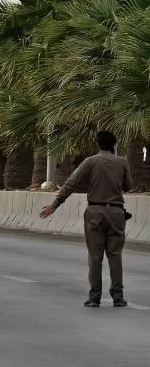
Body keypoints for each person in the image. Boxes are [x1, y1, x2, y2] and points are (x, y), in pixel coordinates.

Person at [40, 131, 133, 307]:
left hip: (95, 212)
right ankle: (118, 297)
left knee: (95, 256)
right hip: (116, 213)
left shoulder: (90, 161)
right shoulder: (122, 162)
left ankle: (94, 297)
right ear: (114, 144)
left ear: (97, 144)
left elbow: (71, 183)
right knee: (115, 255)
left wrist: (55, 204)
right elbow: (129, 186)